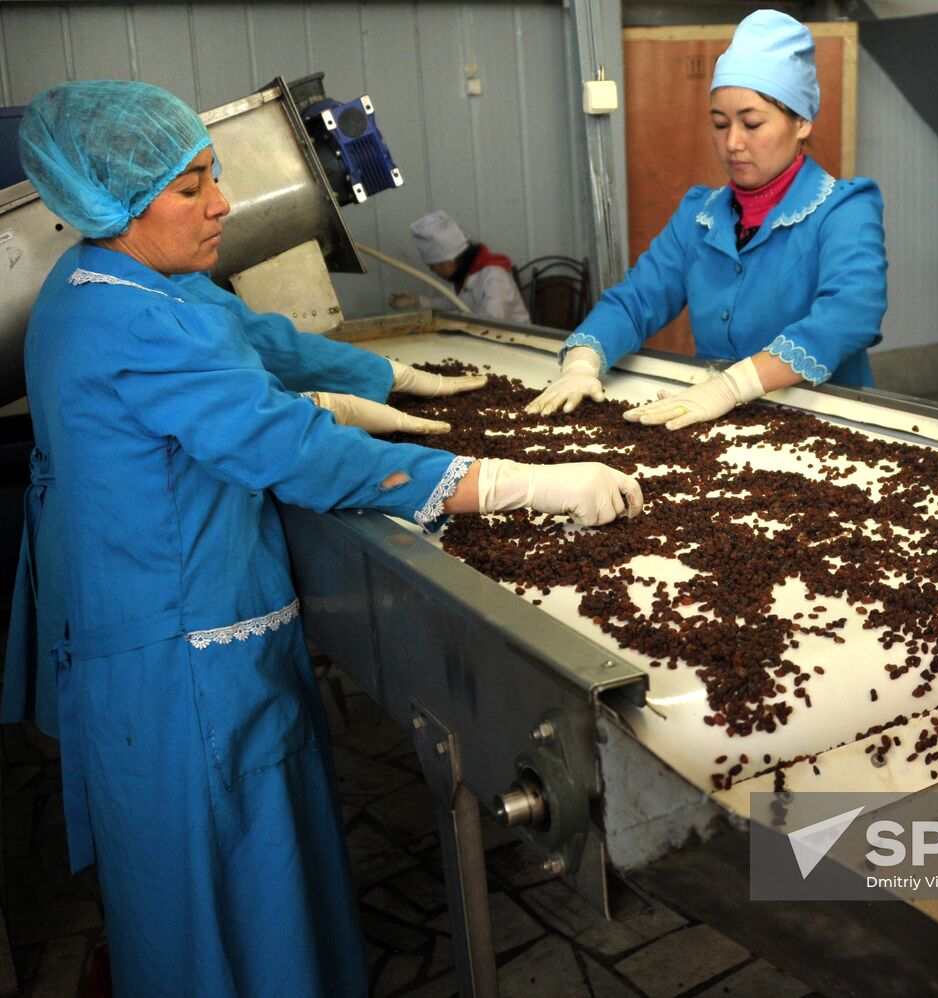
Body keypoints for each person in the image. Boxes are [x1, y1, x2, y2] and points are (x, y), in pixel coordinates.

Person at [7, 79, 643, 997]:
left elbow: (251, 339)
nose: (221, 202)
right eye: (191, 188)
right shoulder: (134, 320)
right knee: (227, 892)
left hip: (150, 627)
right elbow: (293, 452)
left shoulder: (105, 280)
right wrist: (514, 484)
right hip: (186, 665)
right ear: (118, 198)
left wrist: (387, 375)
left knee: (214, 884)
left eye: (214, 175)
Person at [526, 9, 888, 430]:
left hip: (828, 428)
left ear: (802, 121)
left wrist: (731, 386)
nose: (733, 143)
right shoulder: (700, 216)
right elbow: (638, 299)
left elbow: (850, 315)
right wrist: (583, 362)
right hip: (718, 426)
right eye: (720, 124)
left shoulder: (844, 210)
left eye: (752, 124)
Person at [389, 209, 532, 323]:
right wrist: (417, 301)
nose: (433, 271)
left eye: (434, 266)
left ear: (448, 261)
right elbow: (454, 303)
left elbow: (491, 323)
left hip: (513, 349)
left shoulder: (494, 278)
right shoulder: (464, 276)